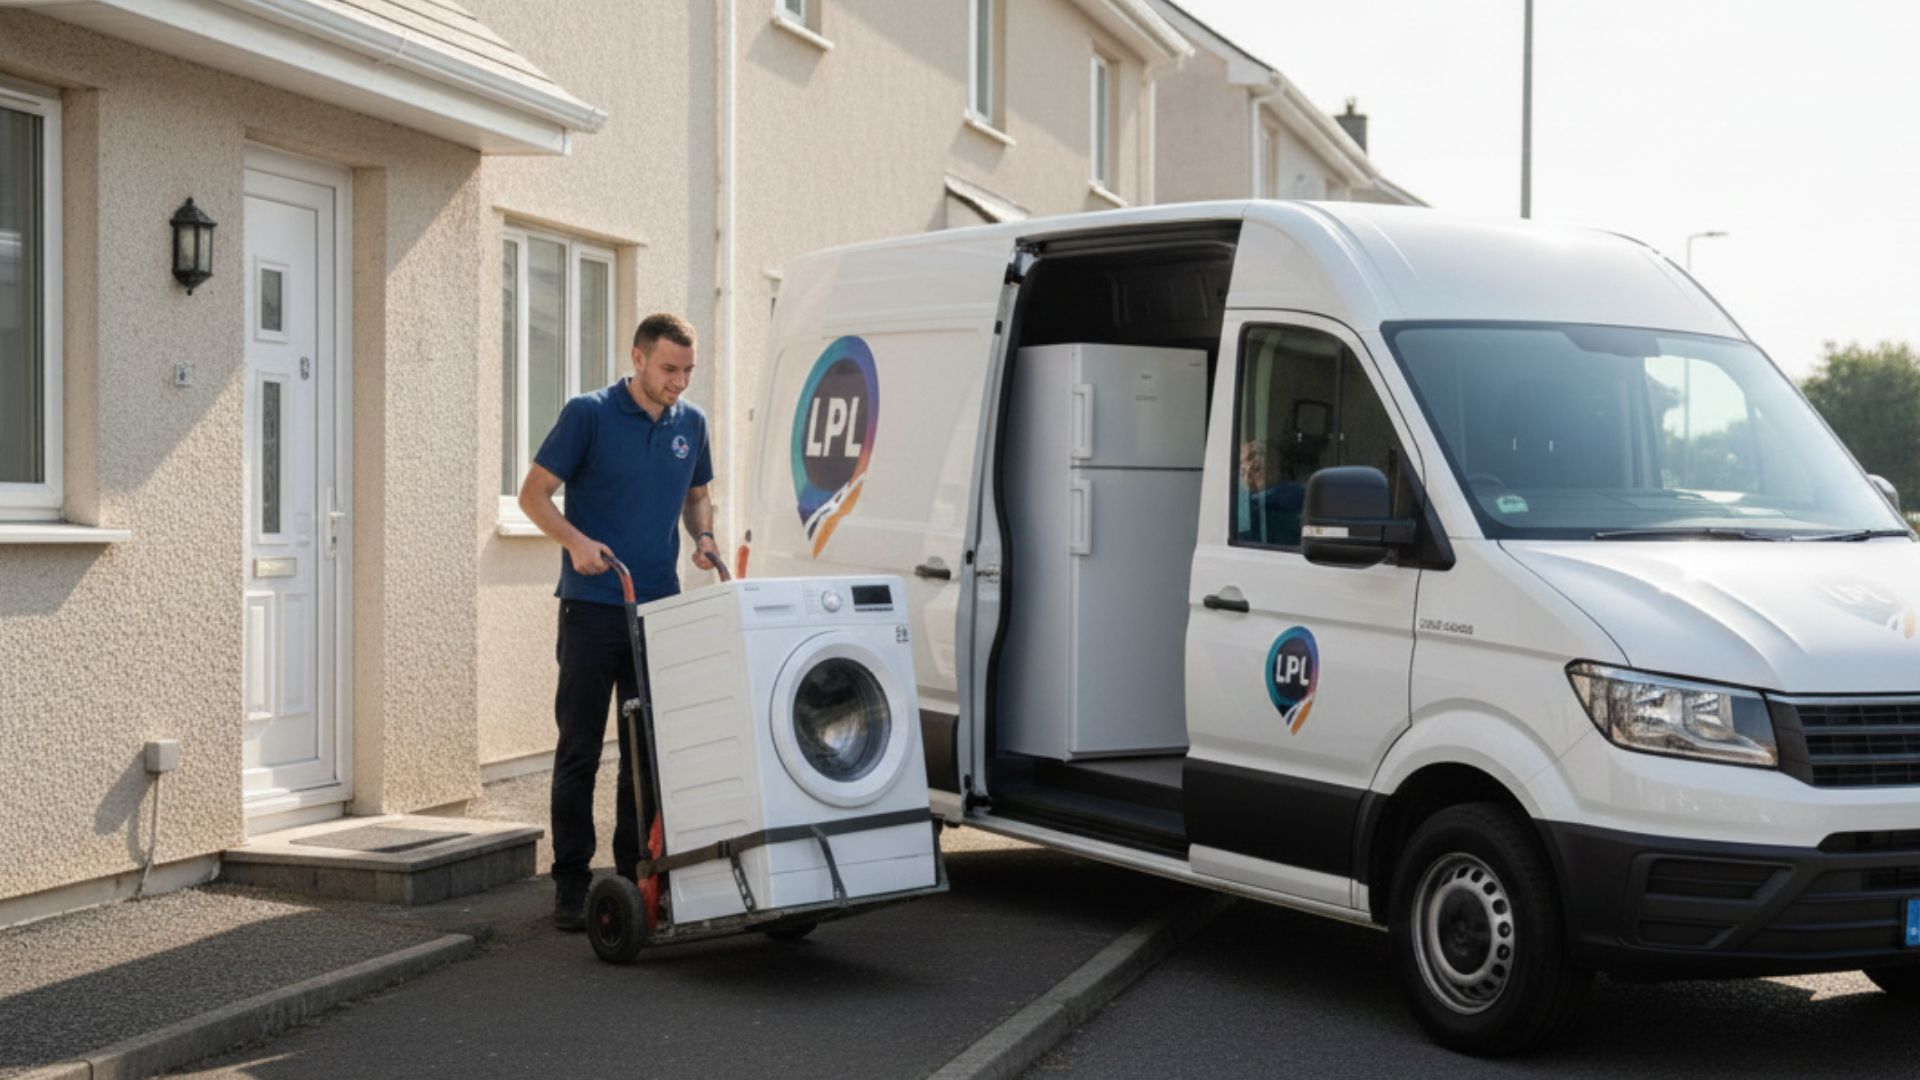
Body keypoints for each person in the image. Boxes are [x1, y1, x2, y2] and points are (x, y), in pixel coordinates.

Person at [517, 312, 722, 931]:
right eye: (668, 369)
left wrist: (705, 536)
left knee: (646, 753)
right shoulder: (589, 413)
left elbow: (697, 495)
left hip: (656, 609)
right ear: (636, 358)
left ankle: (638, 876)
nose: (678, 383)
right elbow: (532, 495)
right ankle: (572, 884)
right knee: (580, 749)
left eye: (688, 371)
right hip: (591, 609)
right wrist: (576, 541)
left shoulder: (692, 424)